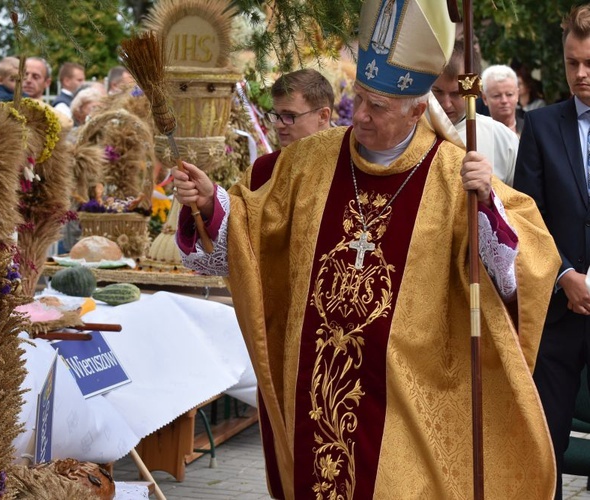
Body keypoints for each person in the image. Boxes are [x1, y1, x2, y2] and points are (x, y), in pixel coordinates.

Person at [172, 0, 560, 497]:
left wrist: (486, 203)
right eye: (358, 97)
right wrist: (211, 205)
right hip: (314, 388)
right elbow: (252, 232)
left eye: (379, 106)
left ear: (418, 110)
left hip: (404, 399)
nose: (362, 115)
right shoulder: (309, 161)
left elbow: (522, 269)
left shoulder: (453, 175)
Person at [514, 5, 590, 498]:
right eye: (571, 63)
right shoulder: (541, 128)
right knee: (543, 448)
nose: (580, 74)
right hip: (558, 318)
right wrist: (563, 274)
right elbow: (527, 219)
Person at [430, 38, 519, 185]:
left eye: (456, 93)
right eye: (438, 92)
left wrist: (489, 198)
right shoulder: (409, 132)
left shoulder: (502, 139)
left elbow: (521, 203)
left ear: (474, 90)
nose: (446, 104)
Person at [266, 68, 334, 147]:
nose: (278, 125)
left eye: (289, 116)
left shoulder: (347, 157)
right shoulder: (270, 160)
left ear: (323, 116)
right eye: (276, 115)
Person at [22, 56, 73, 130]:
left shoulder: (54, 117)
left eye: (35, 77)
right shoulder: (5, 107)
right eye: (25, 75)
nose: (28, 80)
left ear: (47, 82)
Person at [482, 64, 522, 135]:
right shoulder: (477, 134)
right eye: (496, 96)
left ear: (517, 95)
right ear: (485, 98)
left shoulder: (531, 130)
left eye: (509, 94)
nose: (504, 100)